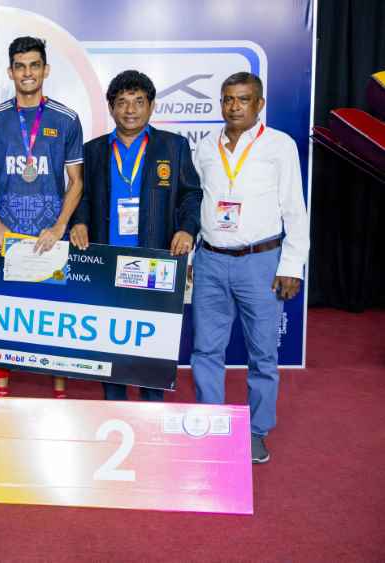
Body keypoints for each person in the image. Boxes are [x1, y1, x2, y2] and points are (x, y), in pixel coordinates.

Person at [190, 72, 309, 464]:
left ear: (259, 105)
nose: (234, 106)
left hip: (261, 262)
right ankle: (211, 424)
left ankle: (256, 432)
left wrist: (292, 264)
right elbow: (196, 204)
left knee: (262, 354)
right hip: (210, 260)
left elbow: (295, 210)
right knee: (206, 349)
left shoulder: (279, 146)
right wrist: (192, 257)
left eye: (243, 99)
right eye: (227, 99)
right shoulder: (206, 146)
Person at [0, 37, 84, 438]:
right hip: (7, 241)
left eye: (35, 65)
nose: (28, 72)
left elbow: (76, 181)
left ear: (46, 69)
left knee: (55, 324)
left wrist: (60, 226)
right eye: (20, 66)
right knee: (4, 325)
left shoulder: (66, 120)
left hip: (50, 241)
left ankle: (59, 408)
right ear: (10, 72)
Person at [70, 70, 202, 402]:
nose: (131, 110)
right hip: (106, 261)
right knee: (109, 346)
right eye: (123, 102)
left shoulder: (174, 146)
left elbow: (190, 194)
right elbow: (80, 195)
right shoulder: (94, 150)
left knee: (151, 346)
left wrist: (187, 229)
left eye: (139, 102)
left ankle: (151, 412)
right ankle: (114, 407)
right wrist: (80, 222)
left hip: (154, 259)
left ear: (152, 105)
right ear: (111, 107)